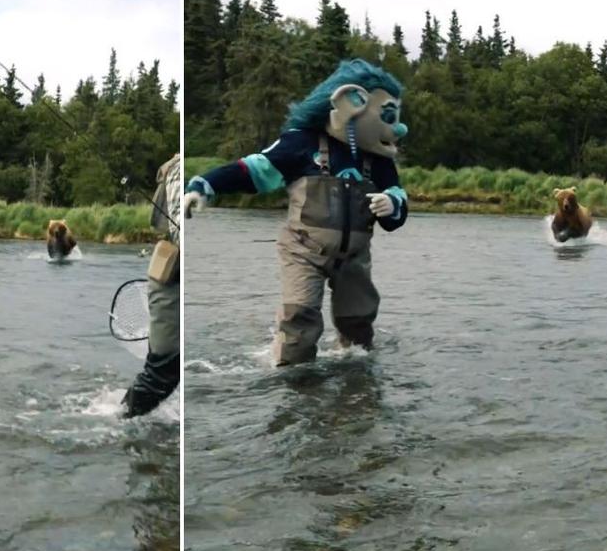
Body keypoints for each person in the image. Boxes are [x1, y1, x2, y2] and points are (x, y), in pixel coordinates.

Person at [184, 59, 409, 365]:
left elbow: (395, 210)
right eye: (388, 116)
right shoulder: (300, 143)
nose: (399, 127)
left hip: (355, 256)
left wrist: (392, 204)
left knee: (358, 327)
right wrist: (204, 185)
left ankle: (356, 382)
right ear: (350, 103)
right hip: (303, 251)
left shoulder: (379, 161)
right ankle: (290, 380)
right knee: (300, 322)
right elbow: (255, 169)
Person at [122, 153, 181, 418]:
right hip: (170, 279)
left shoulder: (173, 168)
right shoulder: (175, 169)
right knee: (161, 373)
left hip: (168, 275)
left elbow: (156, 222)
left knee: (161, 372)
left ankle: (122, 415)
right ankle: (122, 420)